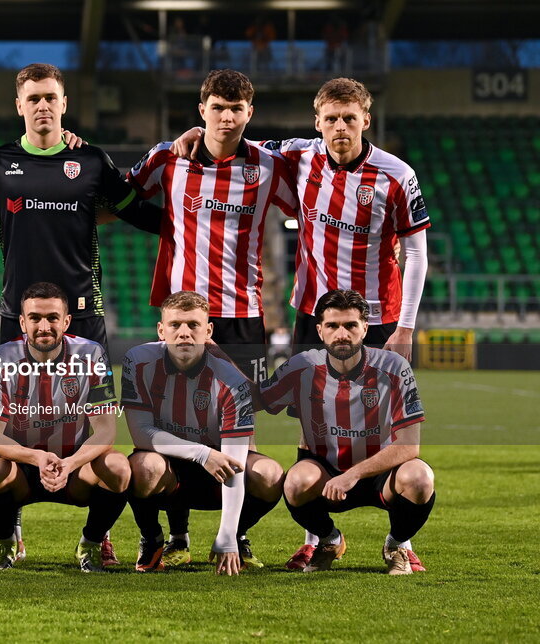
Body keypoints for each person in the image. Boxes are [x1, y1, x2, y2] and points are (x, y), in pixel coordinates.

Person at [172, 78, 430, 568]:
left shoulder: (396, 175)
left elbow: (415, 250)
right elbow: (232, 138)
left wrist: (406, 328)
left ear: (365, 121)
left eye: (349, 118)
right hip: (313, 313)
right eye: (330, 118)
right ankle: (318, 533)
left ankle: (402, 541)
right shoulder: (299, 156)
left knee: (381, 418)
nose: (339, 127)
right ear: (317, 123)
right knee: (311, 418)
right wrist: (189, 133)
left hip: (377, 317)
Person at [128, 69, 296, 563]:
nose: (226, 116)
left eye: (236, 108)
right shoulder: (168, 157)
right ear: (201, 110)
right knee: (172, 416)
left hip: (243, 315)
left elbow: (313, 185)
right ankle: (175, 534)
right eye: (217, 107)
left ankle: (234, 534)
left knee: (241, 423)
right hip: (183, 315)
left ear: (249, 113)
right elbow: (121, 194)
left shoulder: (268, 165)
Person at [0, 63, 159, 350]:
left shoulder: (91, 161)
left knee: (92, 397)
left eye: (50, 98)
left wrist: (194, 224)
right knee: (15, 397)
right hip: (19, 313)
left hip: (82, 310)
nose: (43, 106)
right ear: (19, 106)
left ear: (63, 103)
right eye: (33, 99)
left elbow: (136, 211)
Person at [257, 289, 434, 574]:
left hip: (382, 476)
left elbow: (409, 447)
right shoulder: (301, 365)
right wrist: (214, 356)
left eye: (350, 325)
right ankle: (329, 540)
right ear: (320, 330)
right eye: (332, 326)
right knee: (294, 481)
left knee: (420, 477)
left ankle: (397, 544)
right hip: (326, 474)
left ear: (365, 328)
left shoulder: (394, 367)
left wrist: (351, 476)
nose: (342, 334)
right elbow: (255, 398)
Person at [123, 291, 282, 574]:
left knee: (269, 474)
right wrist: (202, 453)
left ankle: (239, 535)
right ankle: (153, 539)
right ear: (161, 330)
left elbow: (234, 462)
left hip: (217, 476)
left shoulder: (233, 380)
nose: (184, 333)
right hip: (169, 470)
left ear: (208, 330)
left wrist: (228, 535)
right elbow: (141, 433)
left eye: (193, 325)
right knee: (141, 467)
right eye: (175, 325)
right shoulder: (138, 361)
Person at [0, 282, 129, 573]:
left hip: (76, 469)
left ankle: (91, 543)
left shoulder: (92, 354)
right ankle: (6, 541)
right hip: (22, 469)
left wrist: (70, 463)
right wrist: (36, 458)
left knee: (118, 466)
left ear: (66, 321)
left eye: (52, 318)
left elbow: (107, 431)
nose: (43, 326)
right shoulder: (1, 358)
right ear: (22, 322)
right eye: (34, 318)